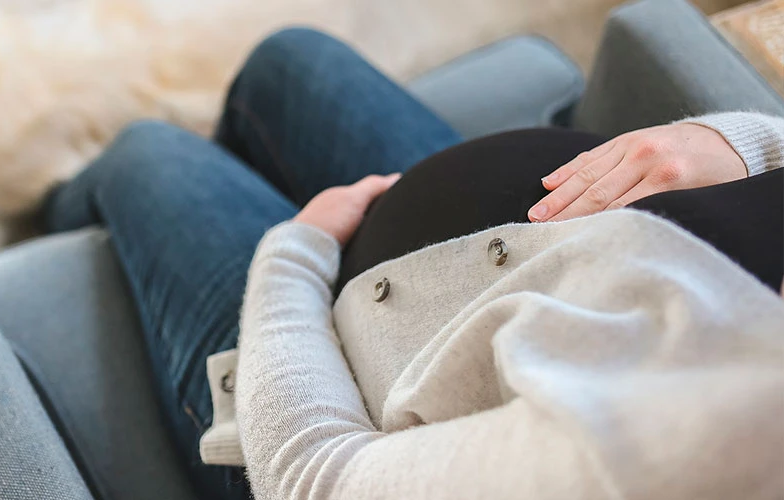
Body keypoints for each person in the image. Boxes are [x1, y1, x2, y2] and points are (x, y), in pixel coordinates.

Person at [42, 28, 784, 500]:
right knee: (291, 60)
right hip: (457, 233)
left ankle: (46, 232)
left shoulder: (705, 445)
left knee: (147, 155)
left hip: (319, 388)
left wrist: (293, 252)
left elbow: (314, 479)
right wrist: (746, 144)